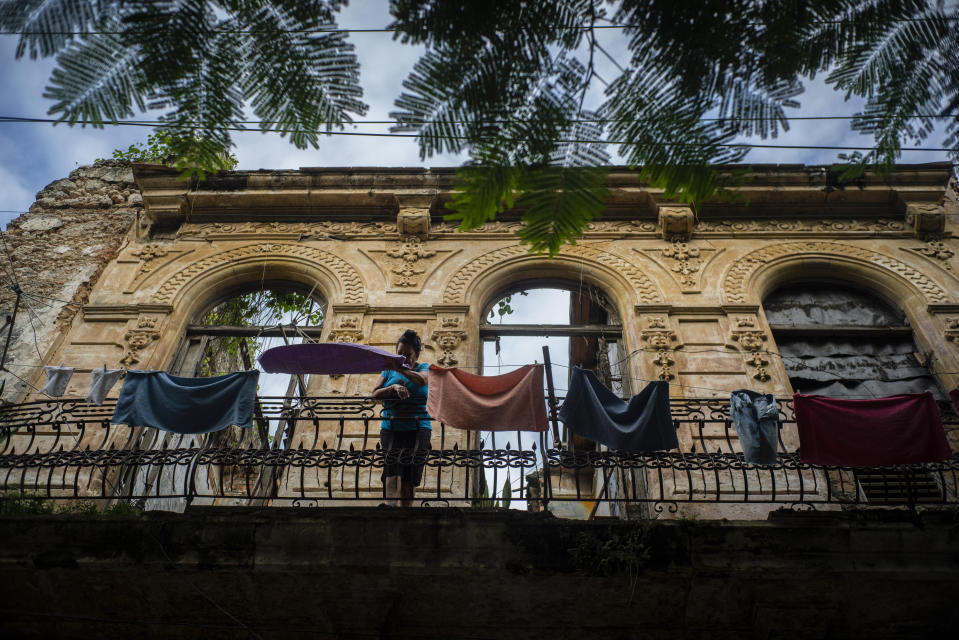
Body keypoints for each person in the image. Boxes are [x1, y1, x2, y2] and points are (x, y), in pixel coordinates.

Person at [371, 329, 431, 507]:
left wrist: (401, 369)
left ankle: (406, 512)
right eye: (399, 354)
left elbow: (421, 381)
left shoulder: (424, 368)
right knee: (392, 467)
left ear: (417, 354)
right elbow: (374, 394)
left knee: (410, 471)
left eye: (408, 354)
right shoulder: (388, 372)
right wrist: (393, 387)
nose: (403, 357)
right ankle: (390, 508)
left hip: (418, 428)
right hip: (391, 427)